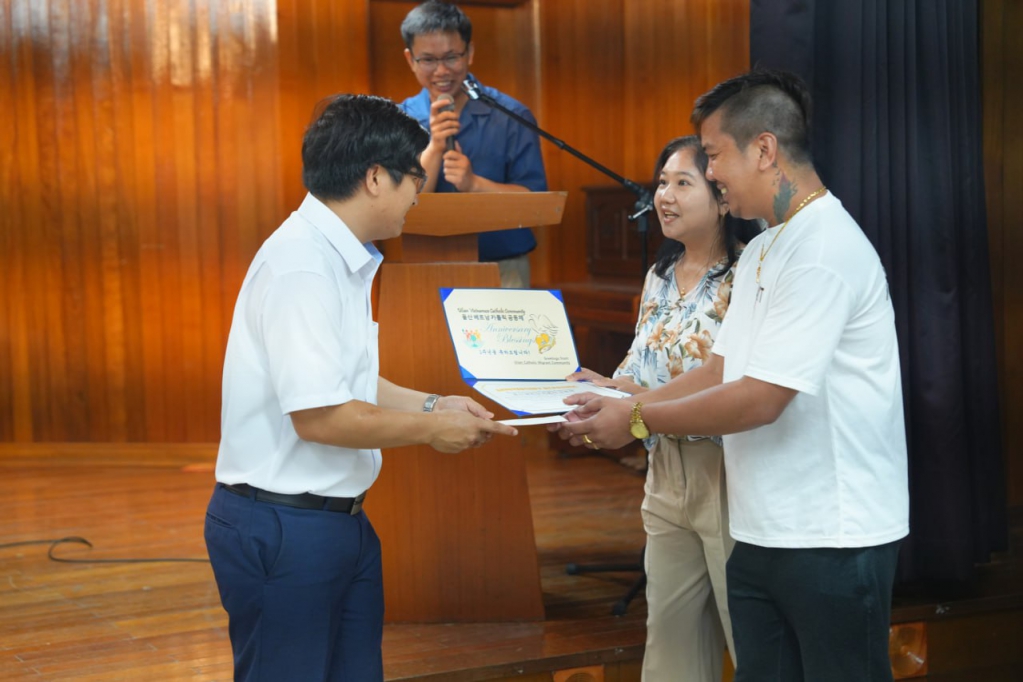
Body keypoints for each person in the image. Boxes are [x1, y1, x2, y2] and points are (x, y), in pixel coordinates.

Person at [555, 69, 909, 682]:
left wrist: (636, 416)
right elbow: (723, 367)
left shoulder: (823, 249)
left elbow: (759, 399)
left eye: (714, 156)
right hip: (760, 526)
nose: (712, 172)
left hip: (831, 533)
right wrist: (627, 399)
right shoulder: (772, 245)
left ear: (765, 149)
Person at [204, 94, 518, 682]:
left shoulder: (337, 256)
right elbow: (321, 417)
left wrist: (433, 402)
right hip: (284, 527)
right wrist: (434, 430)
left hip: (337, 521)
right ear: (375, 178)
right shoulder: (303, 265)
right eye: (411, 182)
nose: (416, 198)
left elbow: (346, 378)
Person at [566, 136, 758, 681]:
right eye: (661, 183)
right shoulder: (659, 274)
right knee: (670, 646)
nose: (664, 197)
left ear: (722, 199)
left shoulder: (747, 273)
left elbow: (718, 377)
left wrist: (629, 413)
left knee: (747, 639)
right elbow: (639, 371)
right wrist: (596, 388)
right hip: (664, 472)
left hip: (728, 475)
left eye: (683, 183)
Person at [398, 0, 547, 288]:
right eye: (428, 60)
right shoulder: (399, 119)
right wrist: (435, 148)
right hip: (422, 264)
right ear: (410, 59)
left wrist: (473, 184)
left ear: (470, 53)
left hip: (502, 268)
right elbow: (398, 205)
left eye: (452, 57)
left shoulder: (511, 115)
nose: (441, 71)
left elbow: (536, 204)